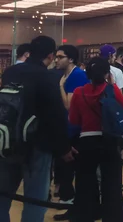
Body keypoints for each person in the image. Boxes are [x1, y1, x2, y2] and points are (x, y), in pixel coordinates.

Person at [0, 36, 76, 222]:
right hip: (38, 146)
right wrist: (64, 148)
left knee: (3, 196)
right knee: (35, 199)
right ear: (50, 55)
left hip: (8, 141)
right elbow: (55, 116)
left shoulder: (10, 72)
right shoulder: (48, 77)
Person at [69, 57, 123, 221]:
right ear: (106, 73)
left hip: (87, 141)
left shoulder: (79, 93)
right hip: (109, 140)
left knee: (85, 183)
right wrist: (113, 84)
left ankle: (88, 214)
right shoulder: (110, 90)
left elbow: (74, 120)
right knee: (112, 184)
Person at [53, 45, 89, 221]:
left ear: (71, 59)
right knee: (65, 171)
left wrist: (60, 86)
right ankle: (69, 203)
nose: (57, 60)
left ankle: (73, 206)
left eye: (61, 57)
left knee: (70, 170)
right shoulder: (67, 75)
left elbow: (69, 104)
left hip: (76, 130)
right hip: (67, 129)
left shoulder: (77, 76)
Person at [98, 45, 123, 166]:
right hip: (112, 116)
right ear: (110, 56)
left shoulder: (90, 70)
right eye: (114, 55)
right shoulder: (116, 72)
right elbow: (119, 97)